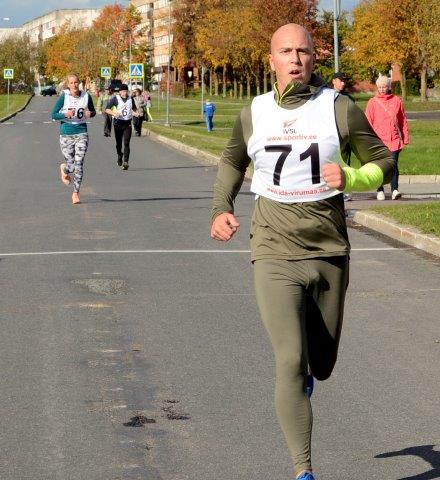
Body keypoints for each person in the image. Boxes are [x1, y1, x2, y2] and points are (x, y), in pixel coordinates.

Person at [210, 24, 395, 480]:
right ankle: (303, 469)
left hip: (328, 248)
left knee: (322, 363)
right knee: (289, 360)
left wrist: (353, 178)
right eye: (286, 51)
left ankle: (312, 372)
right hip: (272, 247)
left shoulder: (338, 108)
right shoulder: (254, 112)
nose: (295, 59)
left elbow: (384, 160)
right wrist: (221, 207)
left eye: (303, 51)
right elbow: (233, 159)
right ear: (271, 59)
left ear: (314, 58)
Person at [51, 73, 96, 204]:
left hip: (82, 132)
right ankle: (64, 168)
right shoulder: (64, 96)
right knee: (71, 167)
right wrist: (65, 114)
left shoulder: (86, 96)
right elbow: (53, 115)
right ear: (68, 85)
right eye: (71, 83)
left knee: (79, 164)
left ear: (79, 83)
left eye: (76, 82)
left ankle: (76, 193)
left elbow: (93, 111)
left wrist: (90, 113)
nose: (74, 85)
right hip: (66, 134)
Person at [365, 74, 410, 200]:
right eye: (380, 87)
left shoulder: (396, 101)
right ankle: (380, 190)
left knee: (393, 165)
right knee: (379, 167)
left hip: (394, 140)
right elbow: (367, 123)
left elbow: (402, 120)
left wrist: (405, 137)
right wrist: (368, 140)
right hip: (378, 141)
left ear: (389, 87)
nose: (382, 89)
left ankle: (395, 190)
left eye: (384, 87)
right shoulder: (372, 103)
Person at [105, 84, 140, 170]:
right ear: (120, 92)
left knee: (126, 143)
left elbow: (134, 108)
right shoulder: (115, 99)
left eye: (126, 91)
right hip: (118, 124)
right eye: (123, 91)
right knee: (119, 144)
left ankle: (126, 162)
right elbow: (107, 109)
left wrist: (136, 113)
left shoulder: (130, 99)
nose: (125, 93)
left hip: (127, 124)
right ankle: (120, 155)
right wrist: (114, 113)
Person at [331, 72, 355, 200]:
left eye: (344, 81)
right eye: (340, 80)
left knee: (345, 163)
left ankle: (345, 190)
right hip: (331, 135)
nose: (343, 83)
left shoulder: (348, 98)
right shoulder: (327, 97)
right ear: (334, 81)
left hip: (345, 135)